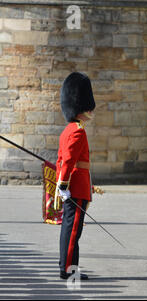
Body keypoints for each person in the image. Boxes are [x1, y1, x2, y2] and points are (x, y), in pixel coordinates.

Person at [55, 72, 96, 280]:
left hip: (74, 186)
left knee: (70, 229)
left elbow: (61, 160)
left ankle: (68, 266)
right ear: (81, 108)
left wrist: (61, 183)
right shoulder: (78, 131)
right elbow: (69, 160)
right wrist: (63, 184)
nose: (91, 110)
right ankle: (68, 270)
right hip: (76, 188)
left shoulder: (68, 130)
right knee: (73, 232)